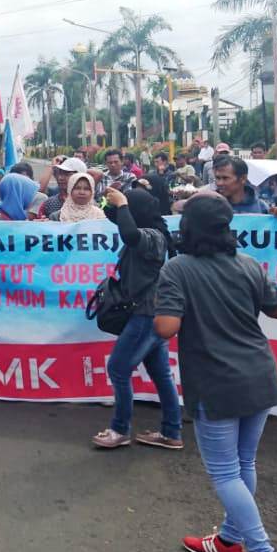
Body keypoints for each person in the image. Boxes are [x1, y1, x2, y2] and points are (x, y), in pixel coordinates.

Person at [154, 191, 277, 552]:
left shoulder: (178, 269)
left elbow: (166, 328)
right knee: (243, 462)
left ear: (189, 228)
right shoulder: (248, 264)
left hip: (216, 382)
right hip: (260, 375)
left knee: (225, 472)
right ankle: (229, 543)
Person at [92, 188, 182, 450]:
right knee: (161, 374)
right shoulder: (150, 230)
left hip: (146, 314)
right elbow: (120, 221)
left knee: (119, 369)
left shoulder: (152, 237)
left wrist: (122, 204)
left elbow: (129, 233)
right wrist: (113, 200)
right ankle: (171, 432)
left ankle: (120, 430)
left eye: (129, 208)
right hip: (151, 312)